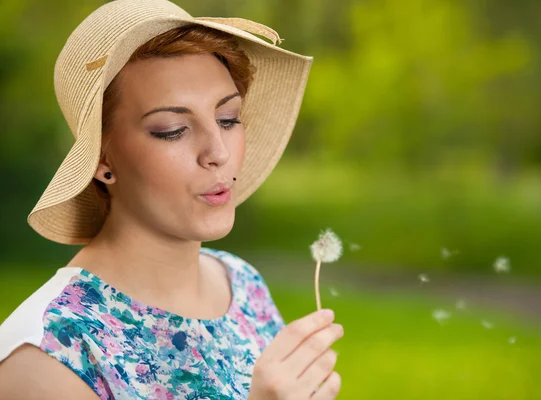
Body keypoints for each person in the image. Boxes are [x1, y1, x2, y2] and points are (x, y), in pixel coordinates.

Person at [0, 1, 343, 398]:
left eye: (228, 119)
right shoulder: (49, 355)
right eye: (173, 130)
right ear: (102, 160)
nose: (218, 151)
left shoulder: (242, 285)